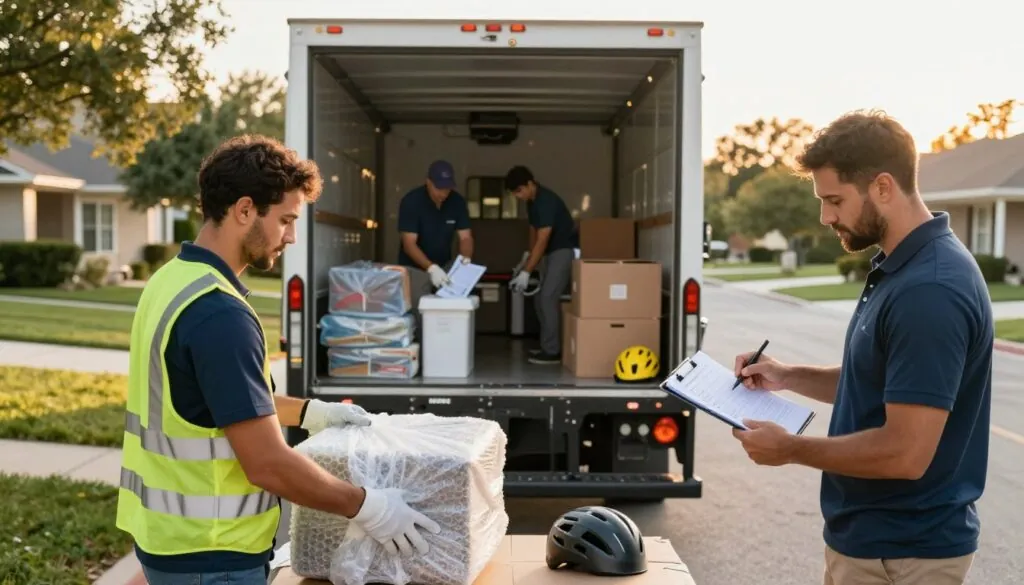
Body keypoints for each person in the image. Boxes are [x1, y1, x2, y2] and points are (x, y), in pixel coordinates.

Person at [115, 135, 441, 585]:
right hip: (215, 556)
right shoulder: (219, 314)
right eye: (286, 220)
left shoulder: (170, 281)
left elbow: (214, 401)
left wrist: (312, 412)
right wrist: (369, 506)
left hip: (168, 542)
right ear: (244, 210)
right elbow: (267, 463)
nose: (290, 236)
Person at [730, 111, 992, 585]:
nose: (826, 216)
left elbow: (905, 453)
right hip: (874, 544)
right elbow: (878, 383)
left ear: (884, 187)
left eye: (834, 200)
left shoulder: (930, 290)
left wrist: (791, 449)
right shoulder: (900, 268)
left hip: (905, 555)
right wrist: (786, 375)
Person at [505, 165, 579, 365]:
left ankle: (553, 351)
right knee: (540, 299)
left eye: (519, 191)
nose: (518, 196)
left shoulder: (545, 200)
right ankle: (548, 345)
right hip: (548, 253)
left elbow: (543, 238)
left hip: (562, 251)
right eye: (515, 193)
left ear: (530, 184)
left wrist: (527, 271)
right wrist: (528, 257)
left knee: (547, 297)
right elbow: (534, 231)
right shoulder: (532, 201)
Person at [396, 159, 474, 292]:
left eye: (447, 189)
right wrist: (431, 268)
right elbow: (409, 244)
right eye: (439, 188)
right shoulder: (412, 202)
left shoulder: (457, 202)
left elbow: (465, 237)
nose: (443, 194)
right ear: (428, 182)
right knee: (418, 307)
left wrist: (465, 260)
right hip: (414, 270)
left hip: (444, 268)